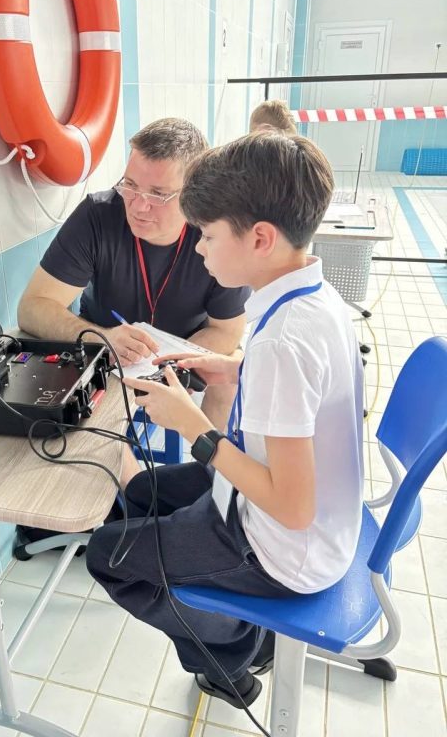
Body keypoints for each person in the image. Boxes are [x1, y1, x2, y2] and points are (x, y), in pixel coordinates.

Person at [86, 131, 364, 709]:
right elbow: (304, 395)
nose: (199, 249)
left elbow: (291, 507)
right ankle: (234, 625)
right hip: (304, 518)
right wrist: (232, 368)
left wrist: (194, 426)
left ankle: (235, 655)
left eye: (208, 235)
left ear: (260, 238)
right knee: (138, 493)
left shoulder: (284, 341)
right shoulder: (314, 300)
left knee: (108, 556)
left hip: (281, 550)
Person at [18, 117, 249, 485]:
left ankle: (209, 482)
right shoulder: (97, 217)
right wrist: (102, 338)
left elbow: (227, 330)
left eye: (158, 194)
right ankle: (136, 498)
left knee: (229, 379)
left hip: (186, 348)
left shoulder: (216, 231)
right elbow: (33, 307)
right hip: (106, 353)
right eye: (130, 185)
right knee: (91, 407)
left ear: (193, 193)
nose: (139, 206)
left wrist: (174, 362)